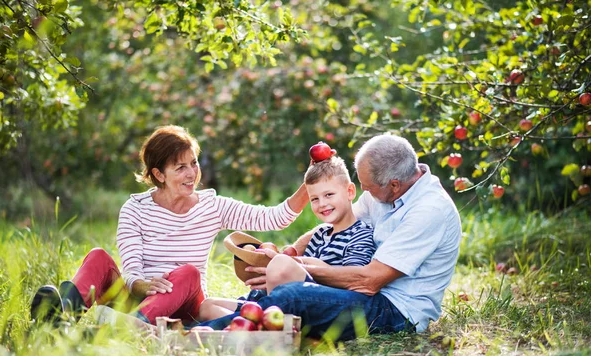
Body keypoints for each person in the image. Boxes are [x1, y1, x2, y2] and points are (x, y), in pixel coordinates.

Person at [30, 125, 308, 326]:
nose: (192, 174)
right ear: (158, 174)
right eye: (180, 168)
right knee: (98, 257)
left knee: (188, 273)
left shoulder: (212, 206)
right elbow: (132, 268)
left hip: (185, 304)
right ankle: (62, 316)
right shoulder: (135, 209)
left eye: (194, 163)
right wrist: (140, 285)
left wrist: (310, 184)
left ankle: (131, 329)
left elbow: (275, 217)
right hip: (139, 297)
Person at [202, 134, 462, 340]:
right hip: (369, 296)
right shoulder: (384, 194)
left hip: (395, 311)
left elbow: (370, 281)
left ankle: (199, 333)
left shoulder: (429, 210)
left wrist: (296, 267)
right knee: (276, 297)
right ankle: (240, 320)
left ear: (394, 185)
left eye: (367, 186)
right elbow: (330, 226)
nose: (363, 191)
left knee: (294, 296)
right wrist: (290, 252)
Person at [198, 155, 377, 319]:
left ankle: (265, 323)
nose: (322, 204)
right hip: (268, 300)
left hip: (310, 299)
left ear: (350, 192)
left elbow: (351, 282)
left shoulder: (360, 234)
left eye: (329, 195)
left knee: (281, 264)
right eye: (314, 199)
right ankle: (258, 324)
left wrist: (290, 264)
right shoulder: (319, 235)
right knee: (207, 306)